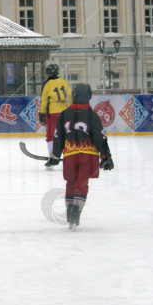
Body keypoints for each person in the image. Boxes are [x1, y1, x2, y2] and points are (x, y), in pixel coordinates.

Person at [47, 83, 114, 231]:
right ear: (89, 96)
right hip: (88, 156)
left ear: (74, 96)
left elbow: (58, 137)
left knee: (70, 182)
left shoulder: (65, 114)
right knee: (81, 184)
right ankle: (76, 211)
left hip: (70, 156)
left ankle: (70, 210)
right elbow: (100, 138)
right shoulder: (93, 115)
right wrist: (106, 156)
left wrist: (55, 155)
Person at [39, 63, 72, 167]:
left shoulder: (47, 84)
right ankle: (69, 156)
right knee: (66, 135)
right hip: (65, 111)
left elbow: (44, 101)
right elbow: (70, 96)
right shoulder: (63, 82)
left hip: (52, 112)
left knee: (51, 135)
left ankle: (52, 157)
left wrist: (41, 114)